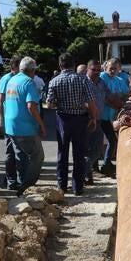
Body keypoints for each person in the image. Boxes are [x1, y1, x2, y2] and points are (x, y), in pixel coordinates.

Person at [47, 52, 98, 195]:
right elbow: (91, 102)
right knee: (79, 154)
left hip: (63, 119)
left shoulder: (54, 81)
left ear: (60, 65)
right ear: (74, 64)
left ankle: (62, 186)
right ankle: (77, 187)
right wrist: (93, 118)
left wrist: (60, 103)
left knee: (62, 153)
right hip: (79, 119)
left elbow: (50, 104)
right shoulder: (83, 80)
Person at [2, 57, 46, 193]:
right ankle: (27, 185)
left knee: (20, 155)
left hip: (11, 126)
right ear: (32, 70)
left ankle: (22, 184)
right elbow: (31, 106)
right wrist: (42, 125)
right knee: (37, 155)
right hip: (25, 126)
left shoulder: (12, 80)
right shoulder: (28, 82)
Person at [99, 58, 129, 176]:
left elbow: (126, 93)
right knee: (101, 142)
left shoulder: (119, 79)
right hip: (100, 115)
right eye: (111, 68)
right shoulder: (102, 77)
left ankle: (106, 163)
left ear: (119, 69)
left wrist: (120, 96)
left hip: (110, 116)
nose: (112, 70)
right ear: (105, 68)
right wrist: (116, 101)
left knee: (112, 141)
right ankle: (100, 165)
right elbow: (103, 97)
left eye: (115, 68)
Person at [0, 56, 21, 190]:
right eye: (19, 66)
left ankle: (9, 179)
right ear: (13, 67)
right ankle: (11, 180)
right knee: (11, 151)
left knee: (18, 150)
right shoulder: (6, 79)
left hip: (18, 121)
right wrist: (1, 120)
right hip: (8, 120)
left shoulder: (20, 79)